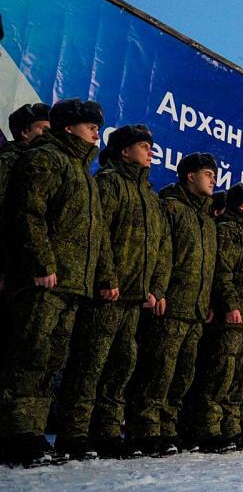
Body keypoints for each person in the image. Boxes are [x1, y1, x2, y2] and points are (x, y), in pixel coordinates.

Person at [0, 98, 116, 467]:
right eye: (90, 126)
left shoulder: (83, 174)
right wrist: (41, 263)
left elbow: (96, 235)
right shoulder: (45, 158)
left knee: (50, 360)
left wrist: (102, 277)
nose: (96, 133)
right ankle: (15, 435)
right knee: (28, 356)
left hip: (71, 285)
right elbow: (28, 214)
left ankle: (31, 433)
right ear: (69, 127)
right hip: (43, 280)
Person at [57, 125, 171, 460]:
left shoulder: (149, 195)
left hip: (135, 299)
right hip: (108, 294)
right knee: (91, 362)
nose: (150, 152)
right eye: (143, 146)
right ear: (124, 151)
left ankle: (106, 432)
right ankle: (74, 433)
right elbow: (98, 234)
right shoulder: (108, 183)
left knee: (122, 365)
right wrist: (106, 277)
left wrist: (155, 288)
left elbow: (162, 249)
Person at [126, 152, 218, 456]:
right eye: (207, 174)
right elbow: (160, 252)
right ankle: (145, 429)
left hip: (195, 309)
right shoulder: (170, 207)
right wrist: (157, 290)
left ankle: (167, 427)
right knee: (158, 370)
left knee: (182, 374)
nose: (213, 180)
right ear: (190, 176)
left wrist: (207, 301)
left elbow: (208, 267)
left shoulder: (206, 219)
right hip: (170, 304)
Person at [184, 181, 243, 453]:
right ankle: (209, 429)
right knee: (221, 373)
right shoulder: (229, 230)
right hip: (232, 318)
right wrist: (231, 305)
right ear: (242, 206)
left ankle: (231, 428)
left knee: (240, 376)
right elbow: (223, 272)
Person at [0, 103, 50, 295]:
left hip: (30, 264)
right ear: (24, 132)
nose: (49, 135)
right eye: (43, 129)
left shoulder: (47, 163)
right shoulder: (8, 162)